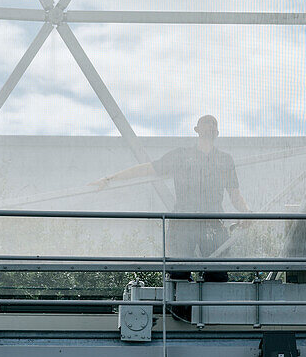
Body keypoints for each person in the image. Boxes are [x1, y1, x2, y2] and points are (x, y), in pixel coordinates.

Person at [93, 115, 250, 283]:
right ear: (197, 130)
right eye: (206, 122)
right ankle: (181, 309)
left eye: (214, 124)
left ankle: (210, 307)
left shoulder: (225, 160)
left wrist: (247, 212)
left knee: (217, 275)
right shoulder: (181, 155)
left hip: (213, 223)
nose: (210, 126)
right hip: (183, 222)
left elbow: (235, 194)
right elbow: (148, 168)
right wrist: (110, 178)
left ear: (217, 132)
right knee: (178, 273)